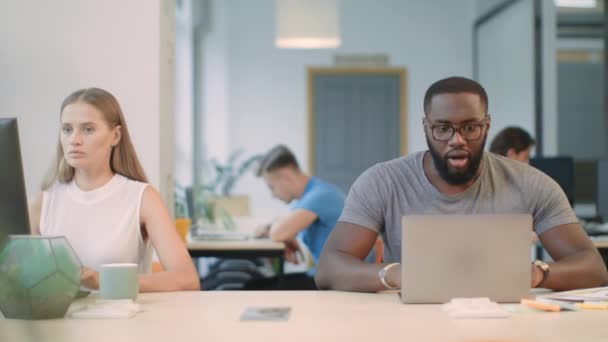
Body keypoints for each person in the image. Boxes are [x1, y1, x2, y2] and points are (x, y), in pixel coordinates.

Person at [315, 76, 608, 292]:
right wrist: (395, 274)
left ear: (487, 125)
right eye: (443, 128)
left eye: (470, 127)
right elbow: (328, 268)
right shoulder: (382, 181)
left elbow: (593, 267)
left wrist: (534, 274)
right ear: (427, 128)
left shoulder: (533, 184)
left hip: (507, 323)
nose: (457, 140)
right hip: (409, 323)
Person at [29, 88, 200, 292]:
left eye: (88, 129)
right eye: (67, 129)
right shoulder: (43, 203)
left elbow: (187, 279)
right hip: (57, 322)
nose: (74, 139)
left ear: (115, 136)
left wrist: (104, 281)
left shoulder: (143, 198)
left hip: (122, 322)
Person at [251, 145, 345, 289]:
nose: (273, 195)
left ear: (286, 176)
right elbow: (284, 228)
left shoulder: (320, 195)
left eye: (272, 187)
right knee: (256, 285)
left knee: (254, 288)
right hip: (326, 277)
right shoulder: (310, 196)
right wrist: (287, 233)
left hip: (336, 283)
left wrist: (283, 232)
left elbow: (278, 233)